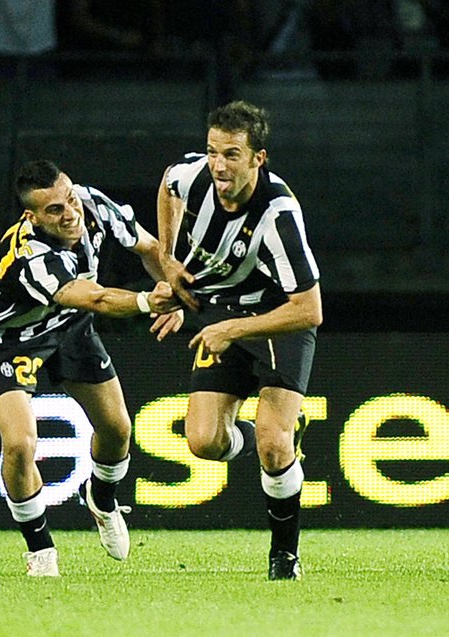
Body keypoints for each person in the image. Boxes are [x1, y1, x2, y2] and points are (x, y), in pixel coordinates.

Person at [0, 159, 182, 576]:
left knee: (117, 430)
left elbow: (152, 249)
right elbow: (96, 299)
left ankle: (101, 497)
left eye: (70, 200)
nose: (70, 214)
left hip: (70, 325)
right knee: (20, 444)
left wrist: (174, 294)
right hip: (7, 339)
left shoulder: (92, 204)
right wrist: (149, 301)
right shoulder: (30, 255)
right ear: (32, 217)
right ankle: (40, 550)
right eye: (55, 210)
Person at [156, 100, 322, 581]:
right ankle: (284, 432)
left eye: (232, 154)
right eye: (213, 152)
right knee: (204, 442)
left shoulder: (278, 215)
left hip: (279, 316)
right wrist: (168, 260)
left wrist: (230, 330)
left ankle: (284, 557)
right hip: (224, 309)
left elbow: (309, 309)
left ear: (258, 158)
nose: (219, 165)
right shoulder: (194, 177)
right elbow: (168, 184)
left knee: (273, 443)